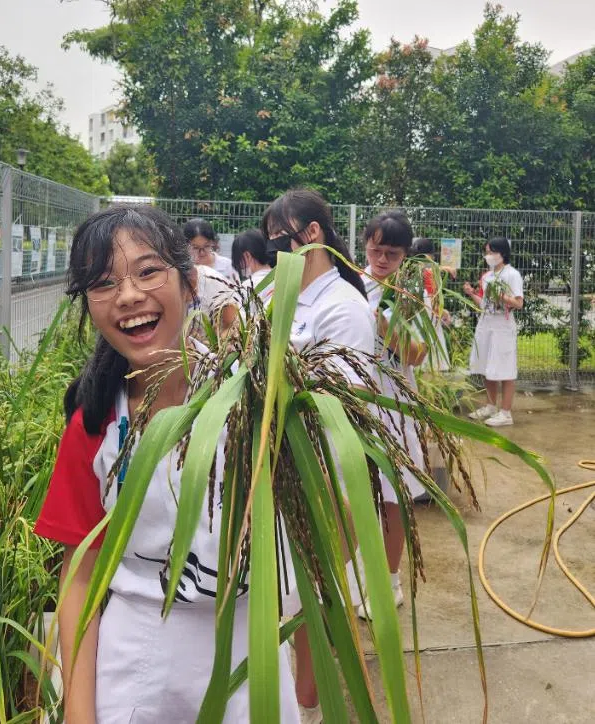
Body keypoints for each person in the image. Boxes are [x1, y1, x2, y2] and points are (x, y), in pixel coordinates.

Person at [34, 206, 299, 723]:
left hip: (251, 652)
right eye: (104, 283)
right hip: (137, 660)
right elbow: (81, 577)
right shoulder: (94, 424)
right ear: (89, 305)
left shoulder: (260, 401)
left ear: (190, 281)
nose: (129, 296)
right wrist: (78, 712)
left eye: (149, 271)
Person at [262, 189, 374, 724]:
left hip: (322, 476)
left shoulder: (343, 309)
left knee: (311, 598)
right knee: (289, 599)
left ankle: (309, 707)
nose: (272, 248)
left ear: (311, 234)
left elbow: (340, 414)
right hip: (281, 471)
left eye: (279, 237)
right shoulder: (284, 298)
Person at [359, 212, 429, 620]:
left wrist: (384, 323)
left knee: (391, 494)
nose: (382, 259)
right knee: (353, 488)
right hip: (356, 399)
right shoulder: (351, 283)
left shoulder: (412, 293)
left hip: (395, 406)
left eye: (392, 252)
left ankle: (389, 582)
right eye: (375, 249)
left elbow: (417, 354)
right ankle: (353, 575)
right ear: (365, 242)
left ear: (405, 254)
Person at [463, 237, 523, 427]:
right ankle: (490, 406)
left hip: (502, 327)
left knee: (505, 368)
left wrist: (502, 296)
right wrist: (472, 293)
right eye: (487, 252)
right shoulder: (487, 276)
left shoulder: (512, 274)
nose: (488, 256)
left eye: (491, 252)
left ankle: (505, 412)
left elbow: (518, 303)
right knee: (486, 365)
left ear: (502, 253)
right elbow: (484, 304)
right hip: (486, 324)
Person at [411, 237, 452, 372]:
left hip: (412, 321)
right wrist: (443, 313)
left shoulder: (409, 270)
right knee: (430, 364)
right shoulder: (431, 272)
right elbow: (433, 299)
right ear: (431, 255)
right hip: (428, 321)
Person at [183, 217, 239, 282]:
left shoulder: (227, 266)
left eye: (206, 246)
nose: (202, 253)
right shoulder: (182, 268)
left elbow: (238, 291)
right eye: (196, 248)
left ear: (212, 242)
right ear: (186, 246)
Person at [231, 228, 273, 303]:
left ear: (247, 256)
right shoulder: (280, 278)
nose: (240, 267)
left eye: (239, 261)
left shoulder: (248, 287)